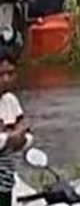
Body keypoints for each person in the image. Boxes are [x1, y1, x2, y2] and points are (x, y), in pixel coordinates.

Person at [0, 29, 31, 206]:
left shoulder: (11, 101)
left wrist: (14, 138)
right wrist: (11, 138)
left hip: (6, 180)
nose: (6, 79)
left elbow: (27, 135)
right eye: (1, 74)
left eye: (10, 74)